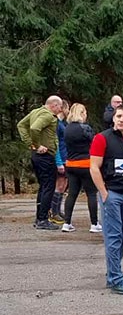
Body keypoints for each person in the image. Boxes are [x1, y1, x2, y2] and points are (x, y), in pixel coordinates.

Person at [89, 105, 123, 294]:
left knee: (122, 236)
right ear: (113, 118)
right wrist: (104, 194)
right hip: (111, 193)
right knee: (113, 237)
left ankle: (113, 273)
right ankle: (115, 278)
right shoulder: (101, 138)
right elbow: (94, 167)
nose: (121, 119)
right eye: (118, 116)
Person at [17, 95, 65, 230]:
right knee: (49, 187)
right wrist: (36, 145)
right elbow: (34, 128)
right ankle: (43, 219)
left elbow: (21, 125)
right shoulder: (48, 116)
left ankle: (40, 217)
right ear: (54, 105)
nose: (60, 110)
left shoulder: (35, 112)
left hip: (37, 156)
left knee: (43, 186)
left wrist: (31, 145)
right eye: (60, 107)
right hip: (45, 156)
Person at [61, 104, 100, 232]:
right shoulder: (85, 128)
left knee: (72, 194)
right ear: (82, 113)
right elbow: (93, 143)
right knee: (91, 193)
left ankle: (67, 222)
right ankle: (94, 224)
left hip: (71, 164)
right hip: (85, 163)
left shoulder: (66, 129)